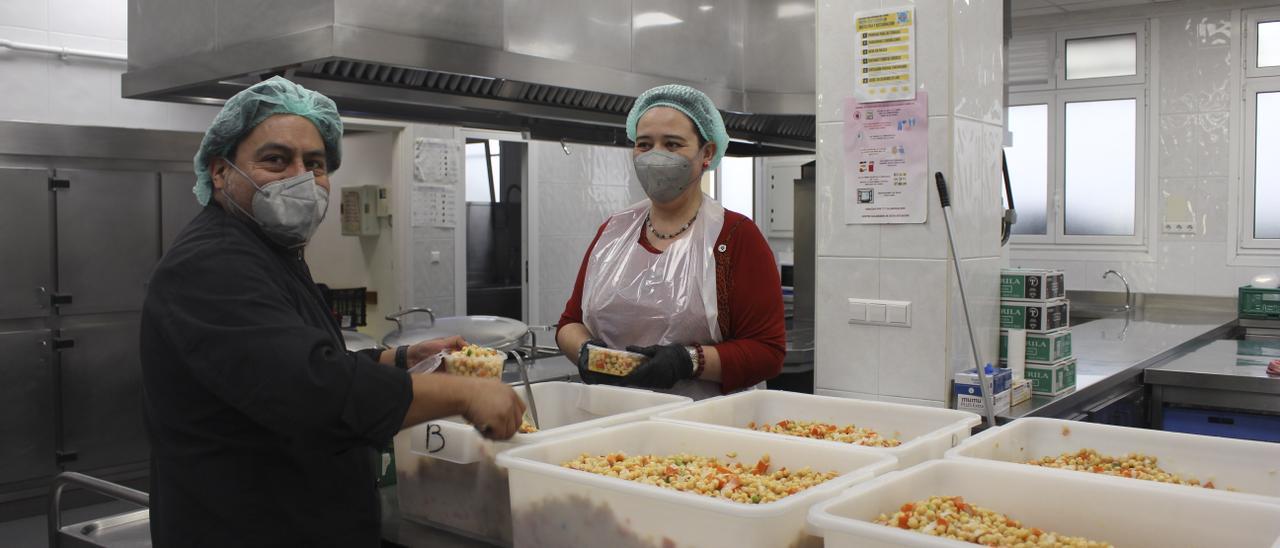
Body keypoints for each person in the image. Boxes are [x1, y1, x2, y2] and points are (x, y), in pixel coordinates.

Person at [139, 77, 525, 547]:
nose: (301, 177)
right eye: (276, 160)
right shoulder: (211, 265)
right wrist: (462, 394)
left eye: (316, 164)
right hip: (246, 527)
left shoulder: (271, 253)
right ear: (221, 172)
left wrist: (402, 360)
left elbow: (305, 359)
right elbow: (309, 391)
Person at [555, 84, 786, 399]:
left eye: (672, 144)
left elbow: (767, 352)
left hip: (704, 430)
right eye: (644, 144)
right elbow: (570, 323)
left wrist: (687, 361)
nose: (655, 156)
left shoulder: (734, 237)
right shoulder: (613, 232)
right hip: (611, 422)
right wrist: (587, 352)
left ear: (707, 153)